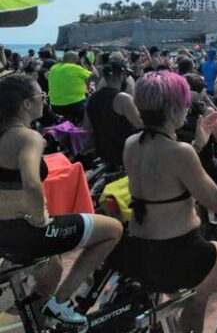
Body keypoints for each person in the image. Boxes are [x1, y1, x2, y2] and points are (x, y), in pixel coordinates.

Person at [114, 71, 217, 333]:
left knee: (200, 294)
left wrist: (198, 144)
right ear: (174, 109)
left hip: (140, 250)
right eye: (185, 104)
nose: (188, 109)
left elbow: (164, 174)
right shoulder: (179, 152)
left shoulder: (132, 143)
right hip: (178, 254)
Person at [0, 74, 123, 328]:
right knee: (113, 230)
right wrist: (39, 218)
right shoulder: (28, 137)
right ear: (26, 104)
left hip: (4, 232)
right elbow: (32, 183)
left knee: (53, 268)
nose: (45, 101)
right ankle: (60, 303)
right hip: (26, 232)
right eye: (41, 96)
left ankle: (39, 321)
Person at [85, 59, 142, 170]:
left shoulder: (93, 98)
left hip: (102, 150)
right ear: (121, 76)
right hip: (123, 151)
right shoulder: (123, 98)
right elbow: (140, 124)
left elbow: (87, 126)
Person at [47, 51, 98, 124]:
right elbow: (95, 76)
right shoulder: (74, 68)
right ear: (74, 59)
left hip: (55, 106)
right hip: (75, 105)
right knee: (93, 107)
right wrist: (90, 64)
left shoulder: (53, 68)